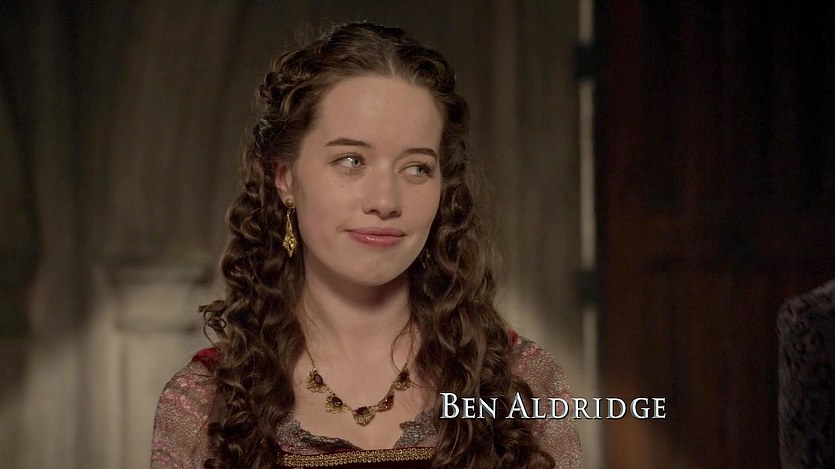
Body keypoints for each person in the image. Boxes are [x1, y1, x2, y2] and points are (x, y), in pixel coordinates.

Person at [151, 21, 581, 468]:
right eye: (351, 160)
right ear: (285, 178)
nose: (386, 201)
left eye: (417, 168)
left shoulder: (523, 384)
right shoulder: (203, 404)